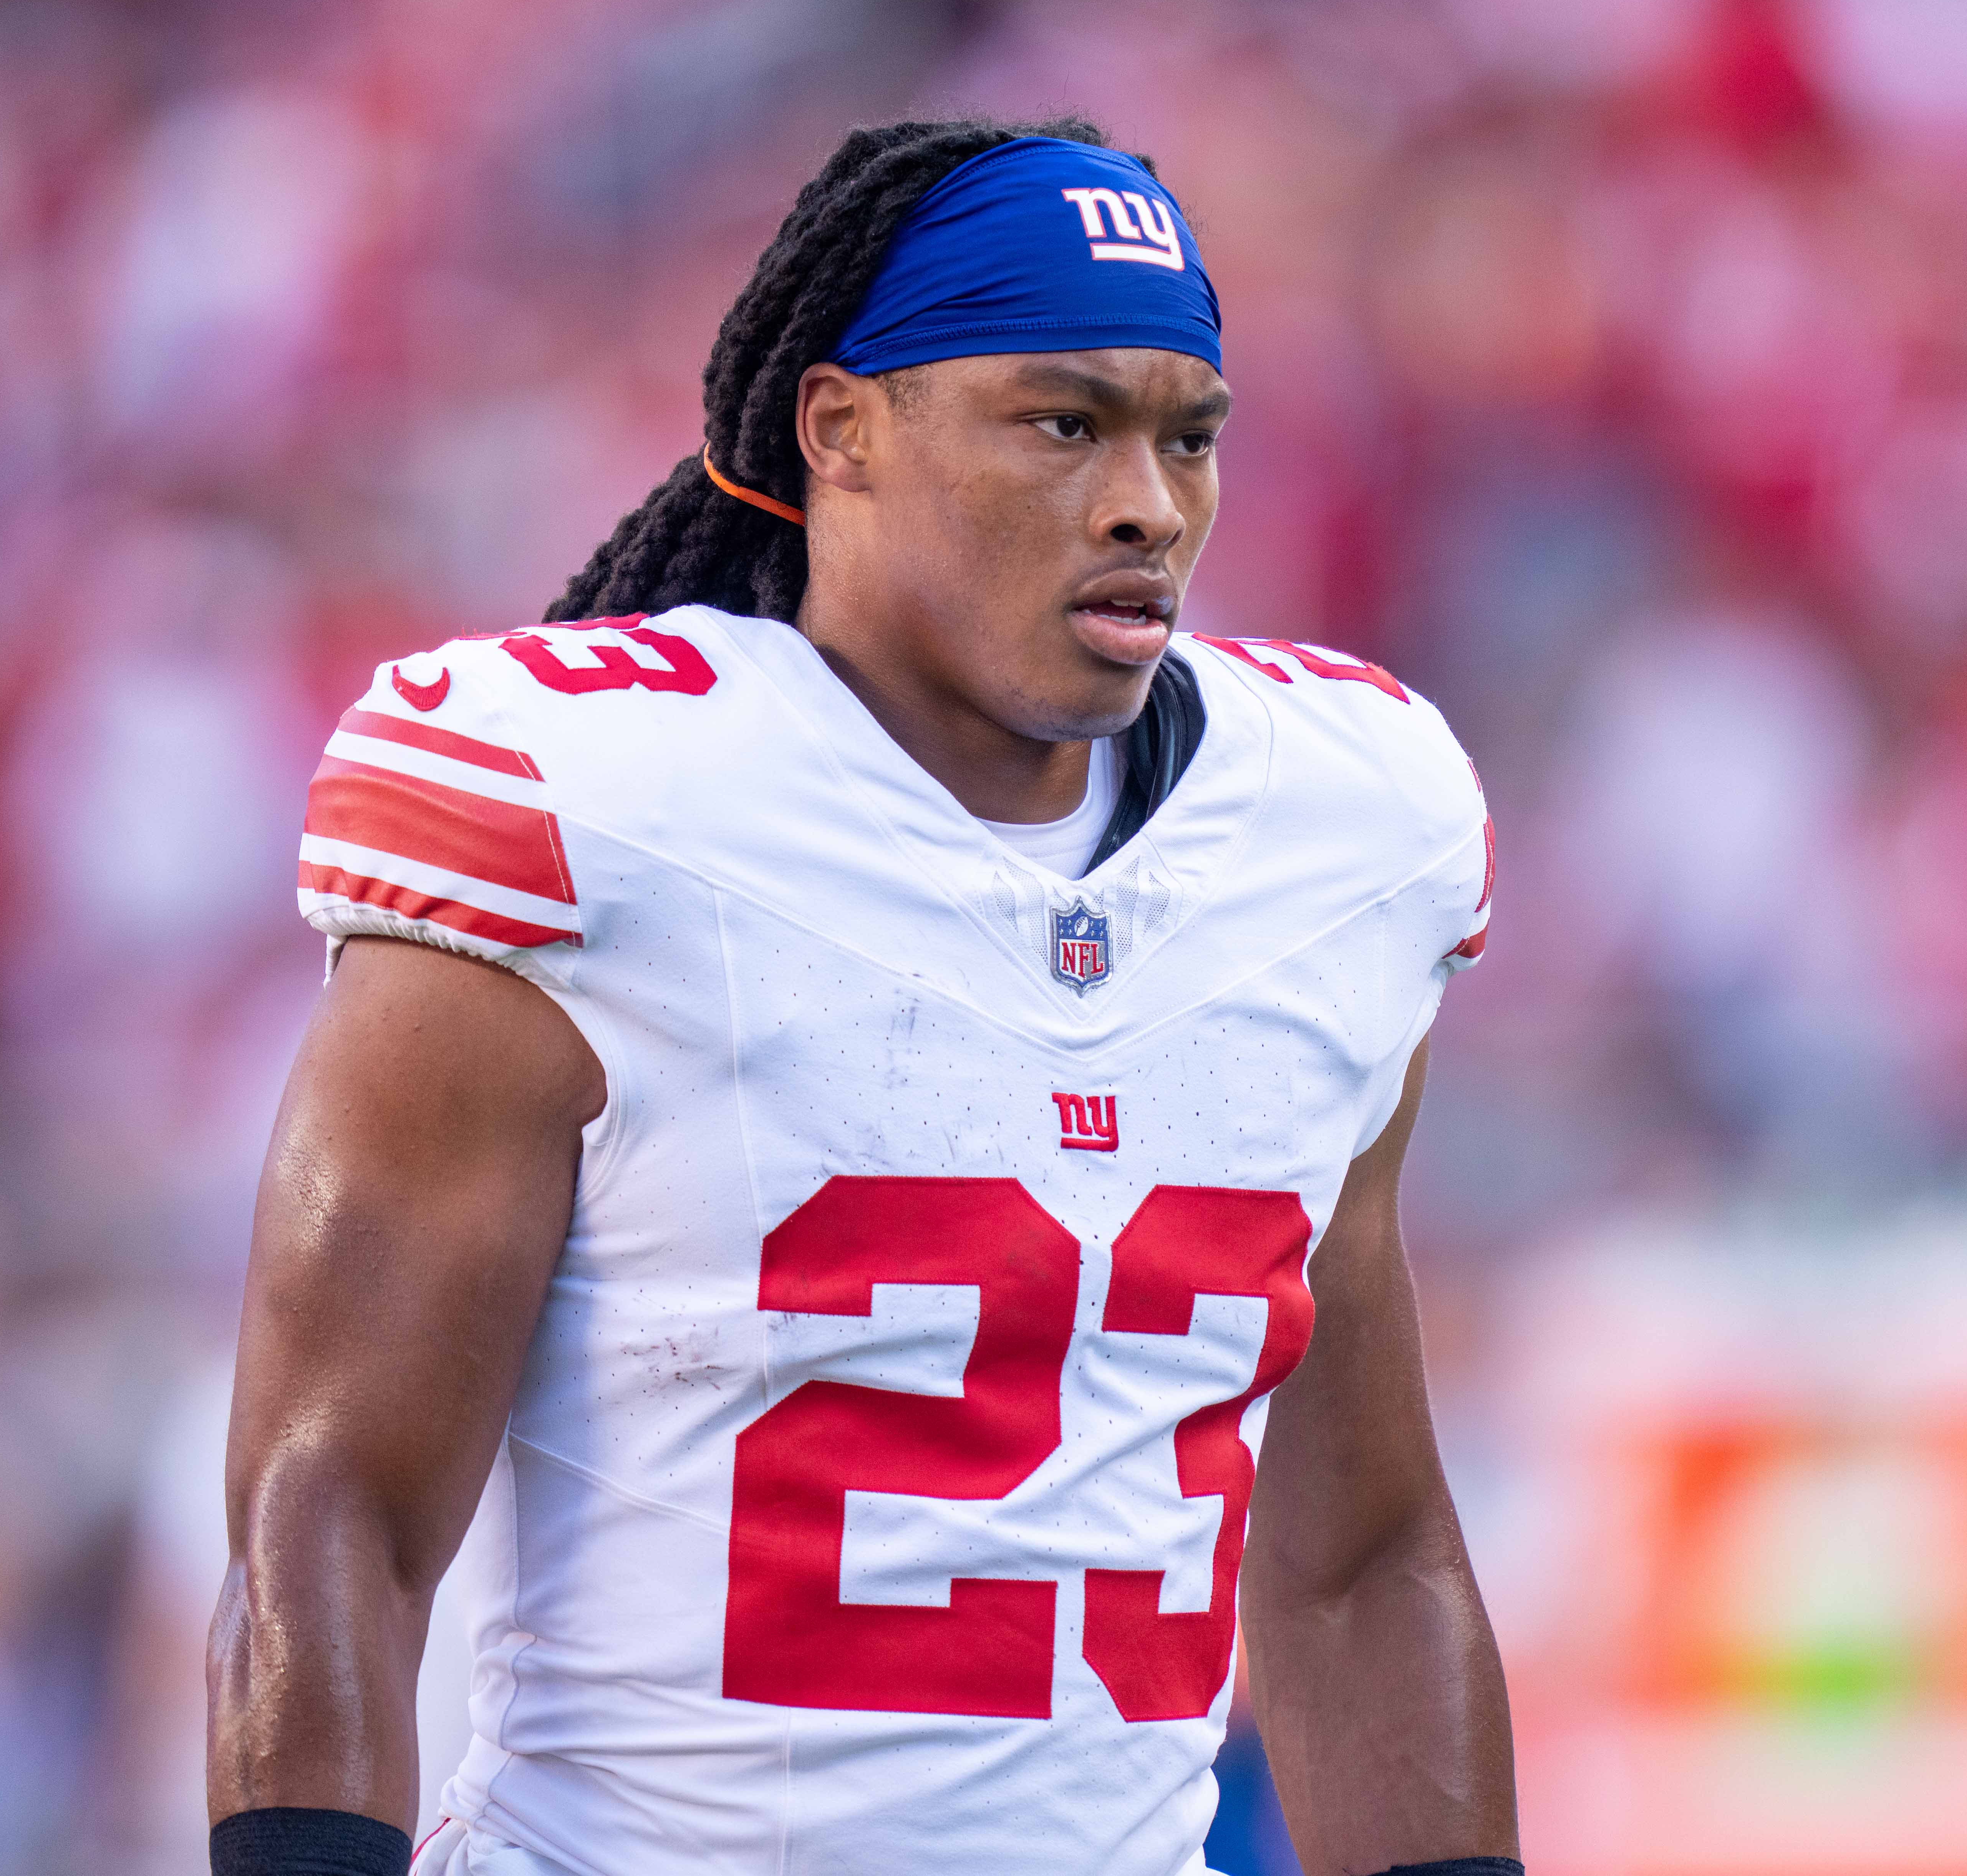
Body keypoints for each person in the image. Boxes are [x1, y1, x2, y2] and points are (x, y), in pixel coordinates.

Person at [206, 116, 1515, 1876]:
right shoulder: (598, 806)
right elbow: (333, 1514)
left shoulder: (1339, 836)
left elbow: (1359, 1559)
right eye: (1066, 424)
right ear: (842, 430)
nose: (1150, 502)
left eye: (1188, 437)